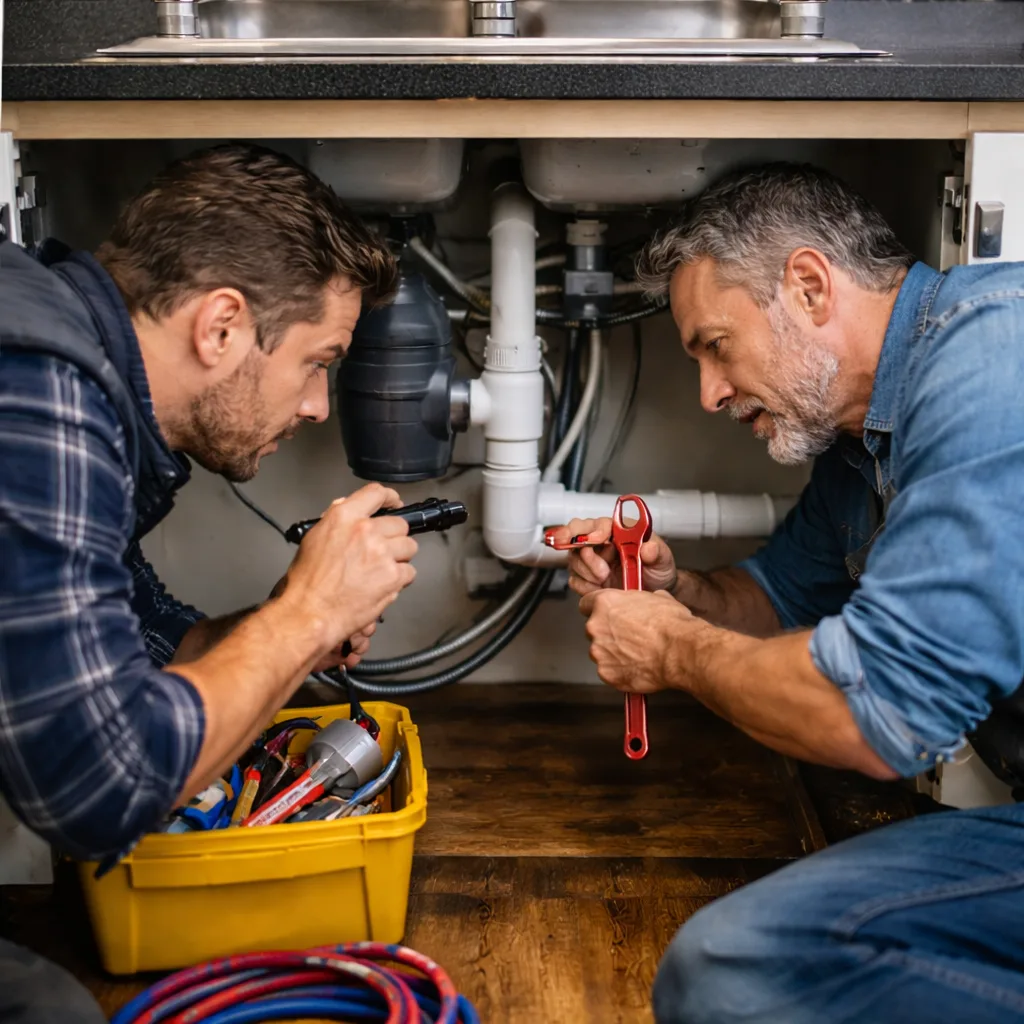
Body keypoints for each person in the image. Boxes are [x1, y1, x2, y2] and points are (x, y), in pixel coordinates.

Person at [554, 163, 1024, 1024]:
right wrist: (673, 591)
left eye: (714, 346)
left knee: (738, 974)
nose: (709, 393)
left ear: (808, 286)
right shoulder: (864, 433)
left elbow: (873, 715)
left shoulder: (995, 362)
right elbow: (775, 596)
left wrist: (668, 646)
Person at [0, 144, 419, 1023]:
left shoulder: (73, 363)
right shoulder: (38, 387)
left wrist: (289, 616)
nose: (314, 406)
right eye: (318, 361)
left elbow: (154, 645)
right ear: (222, 326)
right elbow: (95, 791)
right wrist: (305, 618)